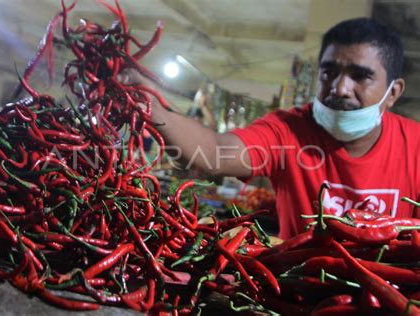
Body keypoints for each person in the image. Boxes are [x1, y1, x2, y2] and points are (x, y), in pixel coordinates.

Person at [120, 17, 419, 239]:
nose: (340, 88)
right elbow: (215, 152)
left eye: (360, 76)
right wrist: (152, 106)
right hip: (297, 296)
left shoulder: (415, 146)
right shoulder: (289, 129)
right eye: (329, 72)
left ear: (392, 92)